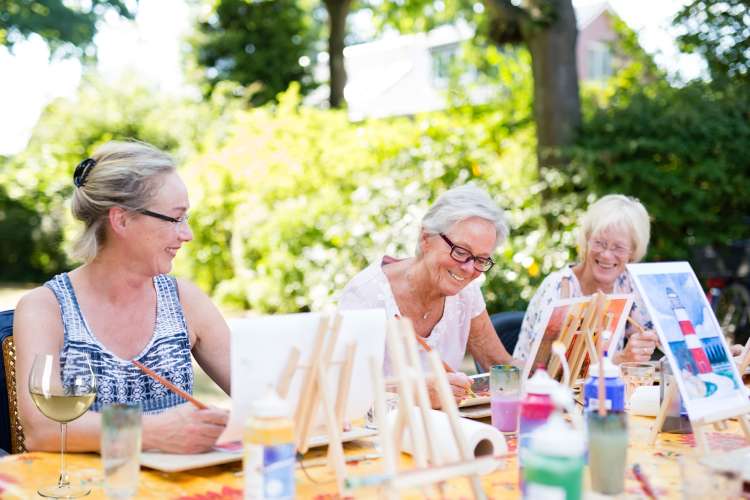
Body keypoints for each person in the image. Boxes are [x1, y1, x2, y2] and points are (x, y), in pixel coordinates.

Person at [15, 141, 230, 454]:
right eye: (176, 218)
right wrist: (153, 432)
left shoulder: (185, 300)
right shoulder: (44, 308)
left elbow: (260, 394)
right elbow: (41, 429)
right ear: (122, 219)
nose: (187, 234)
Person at [339, 185, 515, 408]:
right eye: (460, 251)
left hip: (446, 431)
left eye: (481, 260)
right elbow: (344, 391)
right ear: (426, 238)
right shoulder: (365, 296)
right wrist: (417, 392)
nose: (469, 269)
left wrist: (551, 345)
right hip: (378, 438)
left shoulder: (465, 293)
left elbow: (499, 366)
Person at [513, 194, 660, 364]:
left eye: (618, 247)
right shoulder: (560, 287)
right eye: (599, 243)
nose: (606, 255)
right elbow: (546, 365)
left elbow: (655, 335)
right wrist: (620, 359)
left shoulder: (626, 283)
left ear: (633, 252)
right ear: (587, 240)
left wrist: (646, 341)